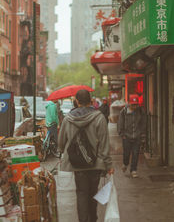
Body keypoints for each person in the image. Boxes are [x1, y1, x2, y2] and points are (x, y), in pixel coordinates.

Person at [58, 89, 114, 222]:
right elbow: (104, 144)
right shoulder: (99, 117)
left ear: (76, 101)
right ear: (91, 101)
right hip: (96, 164)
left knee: (81, 193)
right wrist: (108, 165)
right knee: (93, 194)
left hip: (77, 164)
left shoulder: (68, 119)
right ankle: (92, 219)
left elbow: (61, 143)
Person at [117, 94, 146, 178]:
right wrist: (121, 134)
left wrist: (142, 133)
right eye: (133, 104)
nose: (134, 106)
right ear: (129, 103)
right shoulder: (124, 111)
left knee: (136, 153)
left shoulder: (140, 111)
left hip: (137, 136)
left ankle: (133, 170)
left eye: (136, 104)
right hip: (126, 136)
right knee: (126, 153)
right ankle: (125, 163)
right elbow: (120, 123)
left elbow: (143, 123)